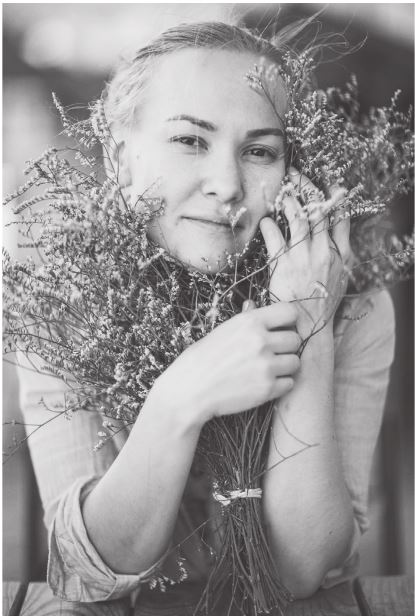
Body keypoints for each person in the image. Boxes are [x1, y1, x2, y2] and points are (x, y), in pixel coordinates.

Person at [17, 20, 395, 615]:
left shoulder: (354, 307)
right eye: (191, 140)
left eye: (260, 151)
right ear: (122, 159)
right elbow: (87, 573)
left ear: (293, 173)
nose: (227, 185)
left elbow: (301, 570)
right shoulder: (64, 302)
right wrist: (181, 397)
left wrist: (310, 325)